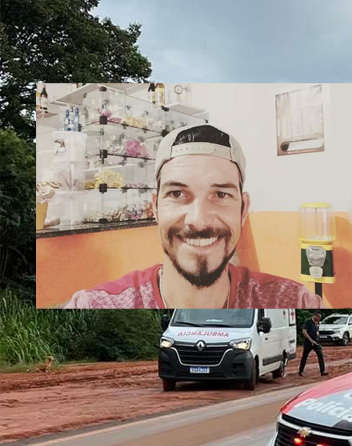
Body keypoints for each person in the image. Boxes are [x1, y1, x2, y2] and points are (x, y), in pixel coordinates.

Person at [62, 124, 323, 309]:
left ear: (243, 210)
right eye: (177, 193)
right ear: (154, 208)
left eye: (221, 195)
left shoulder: (293, 301)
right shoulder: (93, 304)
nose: (198, 221)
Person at [299, 311, 328, 377]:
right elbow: (304, 331)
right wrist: (311, 340)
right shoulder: (308, 322)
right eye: (318, 317)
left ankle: (322, 371)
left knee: (320, 355)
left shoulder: (317, 323)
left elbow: (317, 332)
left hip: (315, 342)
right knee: (305, 356)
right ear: (315, 316)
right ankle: (301, 371)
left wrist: (317, 340)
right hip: (308, 343)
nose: (319, 319)